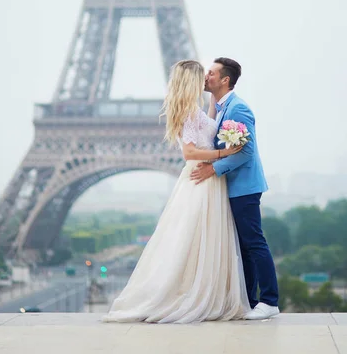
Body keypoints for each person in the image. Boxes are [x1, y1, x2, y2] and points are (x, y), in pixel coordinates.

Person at [102, 59, 250, 323]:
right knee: (196, 240)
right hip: (200, 177)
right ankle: (192, 294)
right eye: (202, 75)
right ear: (191, 80)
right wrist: (223, 152)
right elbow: (189, 152)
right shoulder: (187, 113)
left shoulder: (197, 110)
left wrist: (216, 110)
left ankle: (202, 291)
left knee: (200, 240)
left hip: (209, 180)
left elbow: (210, 125)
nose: (206, 77)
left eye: (210, 74)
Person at [190, 57, 279, 320]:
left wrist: (212, 169)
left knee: (253, 243)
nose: (206, 76)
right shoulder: (221, 107)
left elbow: (246, 153)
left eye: (211, 73)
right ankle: (251, 301)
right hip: (233, 187)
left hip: (244, 187)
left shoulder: (238, 109)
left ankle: (269, 301)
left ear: (225, 79)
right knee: (244, 246)